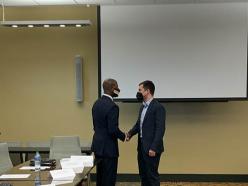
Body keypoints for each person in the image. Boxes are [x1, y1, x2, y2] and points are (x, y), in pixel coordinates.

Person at [127, 80, 166, 186]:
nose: (138, 92)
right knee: (143, 175)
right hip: (141, 148)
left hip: (151, 149)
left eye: (140, 90)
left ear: (147, 91)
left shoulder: (158, 107)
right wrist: (130, 133)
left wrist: (153, 147)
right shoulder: (142, 107)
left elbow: (160, 129)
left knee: (152, 176)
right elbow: (138, 125)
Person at [91, 78, 126, 186]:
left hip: (98, 147)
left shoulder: (96, 103)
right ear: (112, 88)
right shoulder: (113, 107)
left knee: (100, 178)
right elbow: (113, 130)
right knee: (109, 180)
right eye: (117, 87)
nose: (118, 89)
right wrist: (124, 136)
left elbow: (96, 126)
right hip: (109, 149)